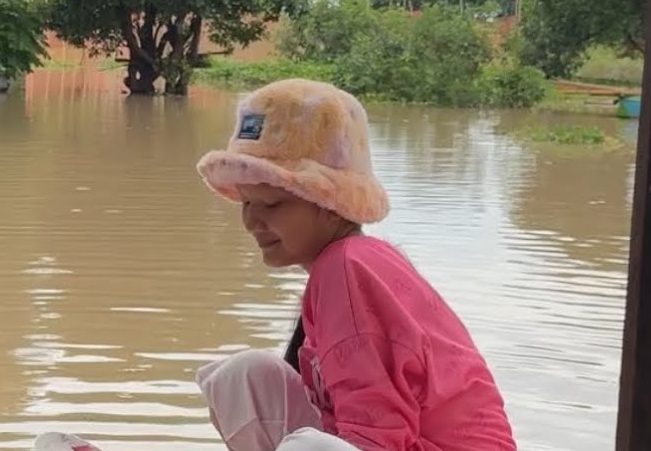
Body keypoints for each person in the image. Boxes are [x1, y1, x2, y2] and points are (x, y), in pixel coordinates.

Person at [192, 78, 517, 451]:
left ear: (330, 204)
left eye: (272, 205)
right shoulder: (344, 264)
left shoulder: (347, 269)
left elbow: (379, 433)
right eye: (247, 203)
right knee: (243, 378)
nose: (251, 221)